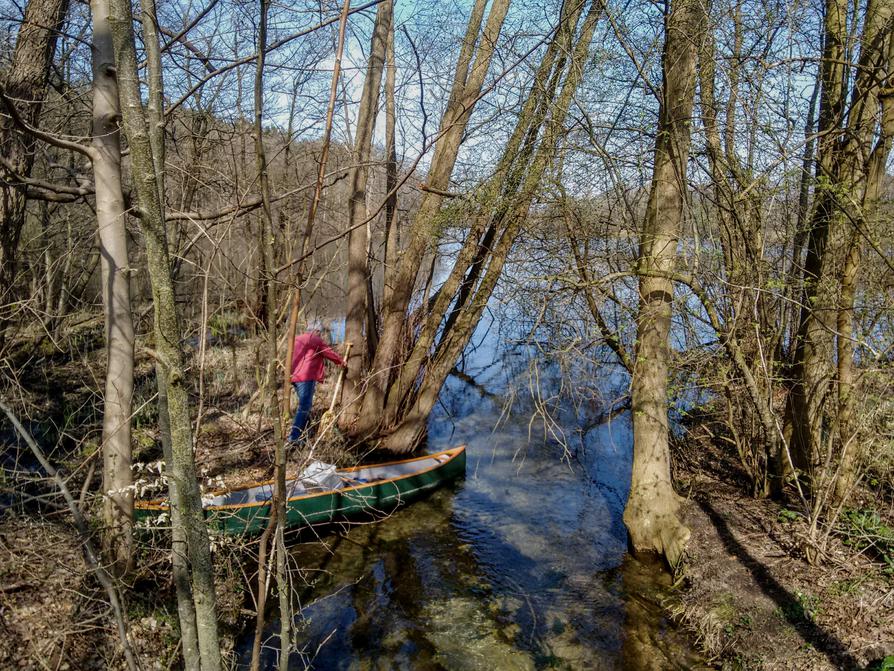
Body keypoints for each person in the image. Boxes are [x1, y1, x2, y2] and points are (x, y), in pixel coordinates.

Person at [289, 319, 347, 442]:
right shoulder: (315, 340)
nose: (320, 335)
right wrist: (341, 361)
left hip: (294, 376)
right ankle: (294, 437)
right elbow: (328, 352)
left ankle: (306, 433)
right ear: (316, 331)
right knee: (304, 406)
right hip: (306, 377)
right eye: (320, 332)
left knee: (305, 406)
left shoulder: (297, 339)